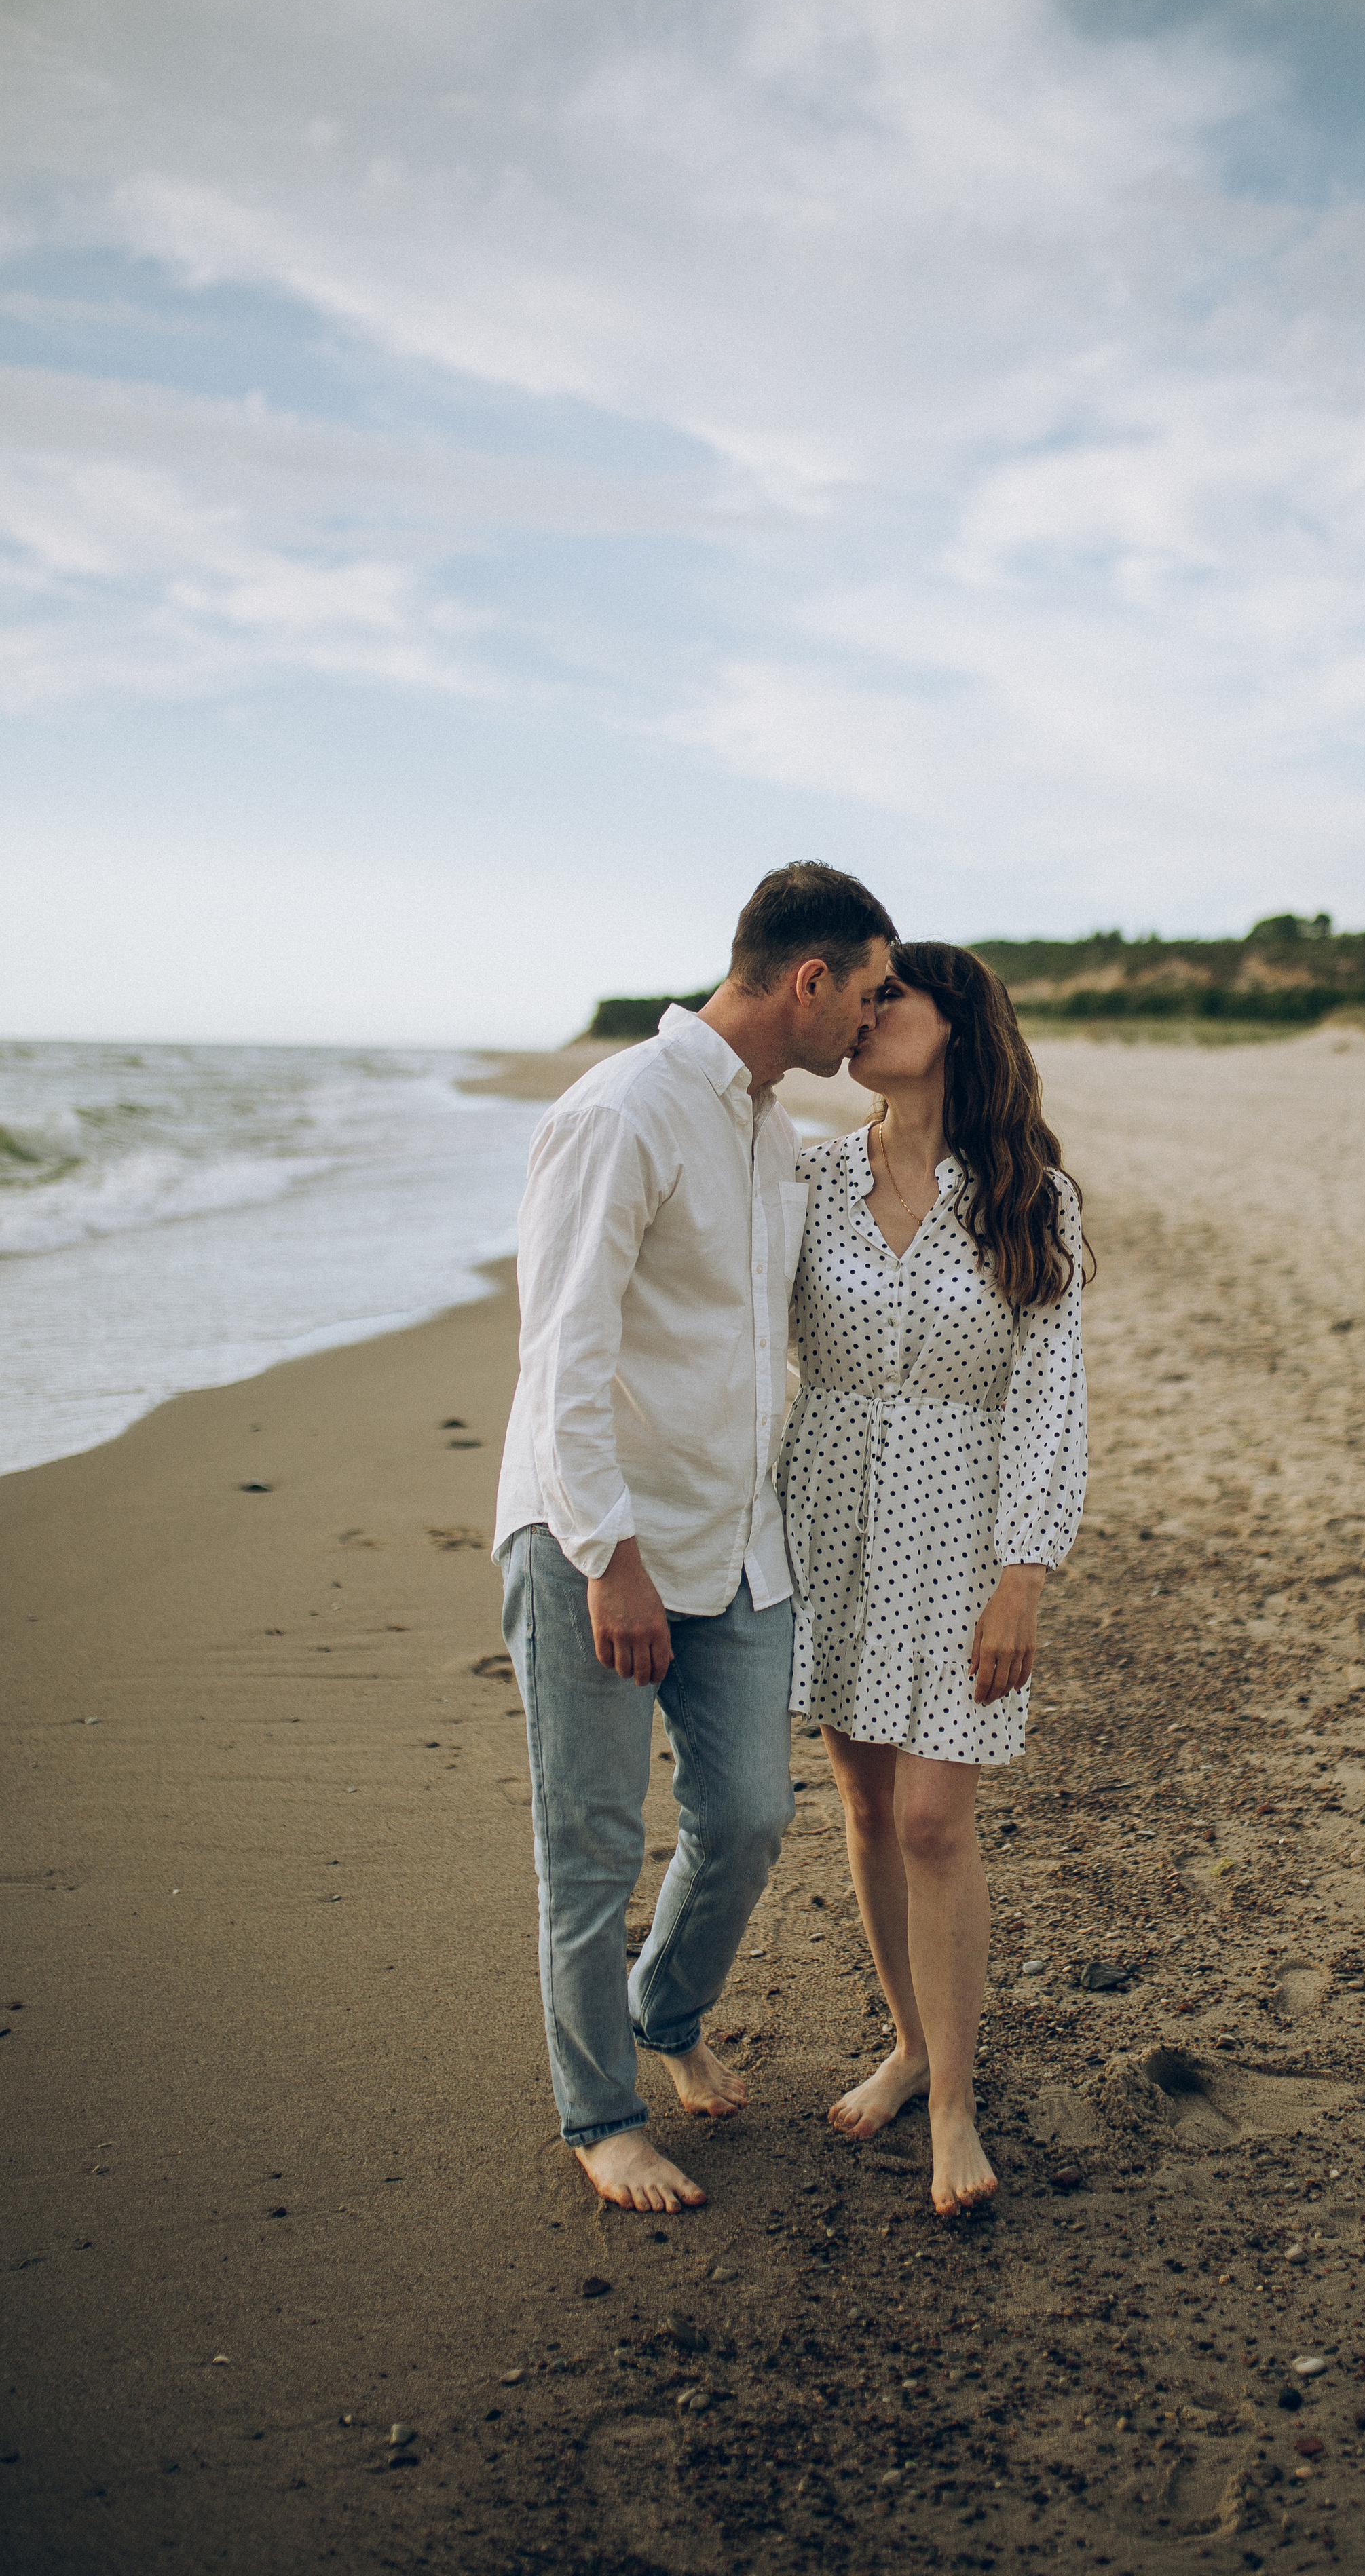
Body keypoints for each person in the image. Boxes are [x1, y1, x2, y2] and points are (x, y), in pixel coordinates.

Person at [495, 863, 894, 2215]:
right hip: (595, 1539)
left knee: (746, 1814)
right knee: (594, 1846)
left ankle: (661, 2017)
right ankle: (597, 2114)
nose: (873, 1019)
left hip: (736, 1545)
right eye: (868, 991)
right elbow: (561, 1352)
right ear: (806, 981)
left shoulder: (771, 1132)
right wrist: (605, 1554)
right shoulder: (622, 1112)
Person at [777, 941, 1089, 2216]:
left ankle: (955, 2100)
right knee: (861, 1808)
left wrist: (1026, 1573)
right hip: (830, 1507)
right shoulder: (809, 1177)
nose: (863, 1014)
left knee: (932, 1821)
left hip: (962, 1529)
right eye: (863, 994)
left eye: (889, 996)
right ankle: (909, 2046)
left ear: (957, 1022)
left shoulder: (1030, 1194)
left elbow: (1049, 1392)